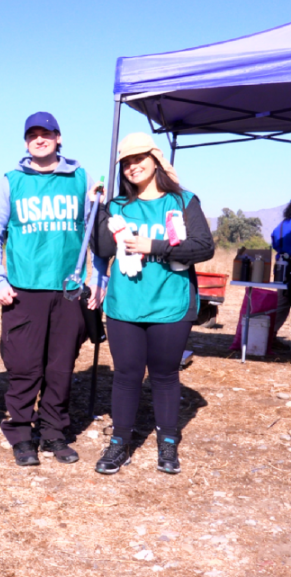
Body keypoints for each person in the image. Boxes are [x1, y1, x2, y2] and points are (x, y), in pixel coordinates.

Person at [0, 112, 108, 467]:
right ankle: (21, 434)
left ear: (59, 137)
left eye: (47, 133)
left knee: (61, 367)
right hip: (24, 291)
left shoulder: (80, 179)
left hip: (69, 289)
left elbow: (95, 233)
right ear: (26, 142)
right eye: (33, 134)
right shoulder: (12, 182)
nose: (40, 139)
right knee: (24, 366)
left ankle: (54, 432)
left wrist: (99, 275)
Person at [90, 132, 214, 475]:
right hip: (124, 305)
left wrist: (153, 246)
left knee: (164, 374)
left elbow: (203, 247)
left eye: (138, 158)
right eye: (126, 163)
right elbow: (101, 249)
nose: (132, 167)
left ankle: (168, 443)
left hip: (171, 303)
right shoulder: (116, 206)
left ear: (156, 159)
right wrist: (97, 209)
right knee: (127, 375)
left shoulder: (184, 201)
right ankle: (119, 443)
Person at [270, 201, 291, 336]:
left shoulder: (282, 225)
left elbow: (275, 243)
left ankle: (269, 338)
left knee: (281, 307)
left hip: (282, 271)